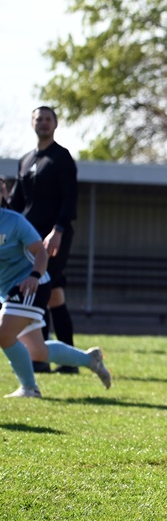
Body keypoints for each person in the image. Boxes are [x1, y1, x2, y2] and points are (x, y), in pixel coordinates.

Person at [0, 207, 111, 398]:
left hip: (30, 285)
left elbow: (41, 252)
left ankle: (29, 388)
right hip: (7, 291)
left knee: (3, 334)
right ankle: (89, 360)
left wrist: (34, 276)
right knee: (38, 351)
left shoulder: (14, 221)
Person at [6, 106, 80, 375]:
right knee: (54, 294)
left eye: (48, 119)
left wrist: (58, 230)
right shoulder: (25, 160)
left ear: (56, 124)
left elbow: (70, 197)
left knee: (44, 289)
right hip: (29, 239)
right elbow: (16, 203)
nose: (44, 123)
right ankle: (63, 359)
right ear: (32, 123)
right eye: (39, 119)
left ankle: (43, 358)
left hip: (52, 239)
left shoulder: (62, 158)